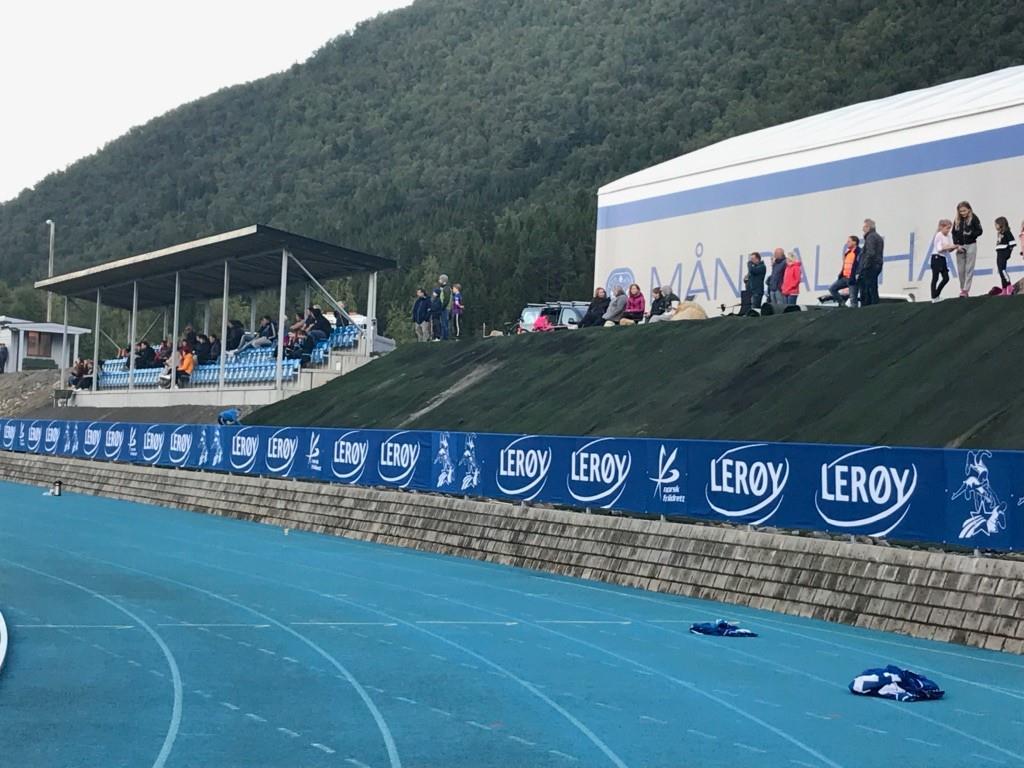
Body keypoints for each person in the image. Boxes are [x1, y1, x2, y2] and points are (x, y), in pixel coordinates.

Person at [952, 201, 983, 297]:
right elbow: (953, 233)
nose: (963, 213)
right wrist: (957, 245)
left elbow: (980, 231)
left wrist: (971, 234)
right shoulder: (957, 220)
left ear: (969, 209)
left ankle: (965, 290)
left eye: (964, 211)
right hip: (960, 246)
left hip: (971, 245)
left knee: (969, 268)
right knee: (961, 270)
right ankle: (962, 288)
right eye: (961, 211)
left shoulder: (973, 218)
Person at [928, 219, 956, 302]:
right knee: (935, 278)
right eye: (947, 228)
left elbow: (949, 249)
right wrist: (951, 247)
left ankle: (936, 294)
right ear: (941, 227)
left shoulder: (948, 236)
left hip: (943, 258)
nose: (948, 230)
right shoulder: (938, 235)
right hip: (936, 257)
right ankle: (934, 296)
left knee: (946, 278)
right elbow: (940, 249)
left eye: (950, 228)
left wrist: (955, 247)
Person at [859, 219, 884, 307]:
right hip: (876, 264)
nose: (863, 229)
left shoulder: (871, 237)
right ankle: (874, 305)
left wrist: (865, 266)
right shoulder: (877, 237)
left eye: (864, 227)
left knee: (868, 289)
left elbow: (871, 253)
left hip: (871, 266)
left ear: (868, 227)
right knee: (873, 286)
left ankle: (870, 307)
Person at [828, 236, 860, 305]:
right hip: (845, 277)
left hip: (853, 279)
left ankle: (855, 313)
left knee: (853, 299)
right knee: (832, 288)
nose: (847, 243)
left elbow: (859, 265)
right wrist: (841, 274)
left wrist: (857, 275)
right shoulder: (848, 253)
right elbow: (845, 265)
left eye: (849, 241)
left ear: (854, 242)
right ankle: (843, 304)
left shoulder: (859, 252)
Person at [994, 217, 1017, 292]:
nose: (995, 226)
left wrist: (1008, 252)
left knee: (1003, 270)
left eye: (996, 224)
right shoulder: (1000, 233)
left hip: (1004, 253)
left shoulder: (1007, 232)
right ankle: (1004, 289)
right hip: (999, 253)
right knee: (1000, 271)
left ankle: (1009, 286)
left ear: (1001, 224)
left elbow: (1012, 243)